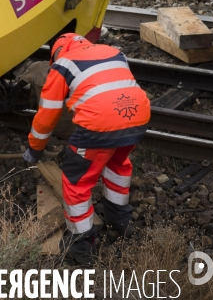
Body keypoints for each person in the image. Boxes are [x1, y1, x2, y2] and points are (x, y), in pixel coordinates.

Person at [23, 33, 150, 266]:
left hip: (98, 127)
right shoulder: (114, 52)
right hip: (136, 118)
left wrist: (34, 149)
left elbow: (46, 117)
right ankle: (121, 221)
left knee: (77, 180)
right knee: (117, 165)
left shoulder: (62, 65)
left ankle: (81, 243)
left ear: (57, 53)